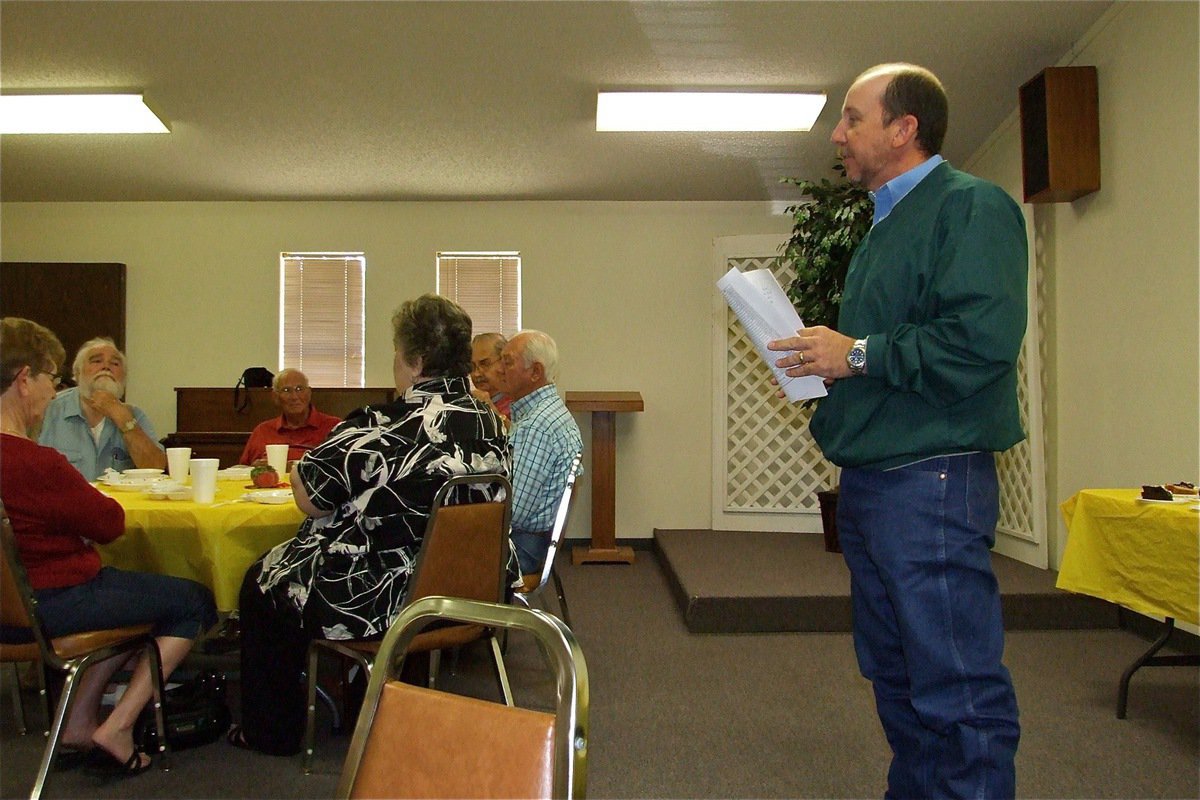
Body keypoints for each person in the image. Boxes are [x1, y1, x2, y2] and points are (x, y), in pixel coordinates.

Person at [767, 63, 1025, 799]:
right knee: (899, 679)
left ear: (904, 129)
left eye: (852, 118)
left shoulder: (971, 208)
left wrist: (852, 352)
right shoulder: (887, 224)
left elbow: (978, 345)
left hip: (933, 482)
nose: (837, 135)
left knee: (956, 687)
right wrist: (835, 364)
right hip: (880, 486)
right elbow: (891, 356)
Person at [230, 294, 511, 756]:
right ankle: (371, 698)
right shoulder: (492, 421)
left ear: (416, 362)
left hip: (386, 599)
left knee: (264, 582)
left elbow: (310, 500)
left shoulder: (383, 426)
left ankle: (272, 733)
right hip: (473, 587)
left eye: (398, 354)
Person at [0, 317, 216, 777]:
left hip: (13, 608)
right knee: (193, 601)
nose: (49, 392)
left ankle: (78, 722)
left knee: (127, 596)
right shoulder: (35, 462)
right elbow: (110, 524)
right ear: (23, 381)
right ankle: (117, 726)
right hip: (55, 603)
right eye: (48, 379)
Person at [496, 330, 583, 576]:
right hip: (536, 542)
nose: (500, 369)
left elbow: (514, 512)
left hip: (523, 547)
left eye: (508, 362)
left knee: (433, 551)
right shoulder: (550, 412)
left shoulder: (536, 426)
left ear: (535, 372)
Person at [38, 336, 166, 480]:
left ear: (123, 377)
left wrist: (124, 420)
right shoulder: (48, 410)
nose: (106, 367)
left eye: (115, 363)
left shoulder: (134, 415)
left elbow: (156, 469)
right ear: (77, 373)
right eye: (97, 361)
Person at [238, 368, 340, 465]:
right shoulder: (263, 431)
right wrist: (253, 469)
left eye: (299, 389)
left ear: (309, 393)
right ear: (275, 397)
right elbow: (242, 469)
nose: (294, 397)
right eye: (286, 390)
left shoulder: (334, 427)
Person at [470, 332, 512, 421]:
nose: (476, 374)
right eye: (472, 366)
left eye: (485, 364)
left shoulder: (518, 401)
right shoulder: (470, 403)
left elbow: (517, 433)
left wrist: (490, 409)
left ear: (504, 362)